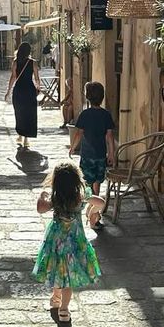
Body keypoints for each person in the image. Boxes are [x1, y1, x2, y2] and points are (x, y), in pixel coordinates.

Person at [33, 161, 104, 324]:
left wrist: (43, 195)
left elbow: (40, 209)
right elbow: (100, 202)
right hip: (75, 244)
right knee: (68, 278)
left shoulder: (55, 198)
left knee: (58, 272)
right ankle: (64, 309)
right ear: (76, 181)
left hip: (56, 244)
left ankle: (56, 298)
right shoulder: (80, 197)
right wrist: (92, 212)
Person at [69, 81, 115, 225]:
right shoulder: (106, 115)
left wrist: (72, 147)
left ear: (87, 97)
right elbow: (109, 137)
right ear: (102, 97)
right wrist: (112, 154)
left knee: (87, 184)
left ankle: (93, 210)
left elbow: (78, 134)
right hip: (100, 155)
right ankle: (95, 213)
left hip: (87, 155)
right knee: (97, 182)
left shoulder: (85, 115)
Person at [6, 41, 40, 148]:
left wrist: (8, 91)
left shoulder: (15, 62)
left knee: (19, 113)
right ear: (29, 51)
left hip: (19, 90)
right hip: (30, 90)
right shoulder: (33, 62)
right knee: (29, 114)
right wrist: (38, 88)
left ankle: (20, 136)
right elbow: (37, 78)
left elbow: (13, 77)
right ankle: (26, 139)